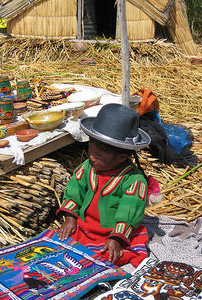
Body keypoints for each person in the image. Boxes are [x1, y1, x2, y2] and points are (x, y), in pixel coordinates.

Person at [57, 103, 151, 267]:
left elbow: (129, 209)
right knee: (61, 244)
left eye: (98, 154)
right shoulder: (88, 167)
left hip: (114, 231)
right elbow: (75, 190)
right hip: (85, 226)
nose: (91, 157)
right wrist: (70, 218)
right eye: (90, 150)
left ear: (121, 158)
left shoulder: (133, 180)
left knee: (108, 256)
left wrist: (116, 238)